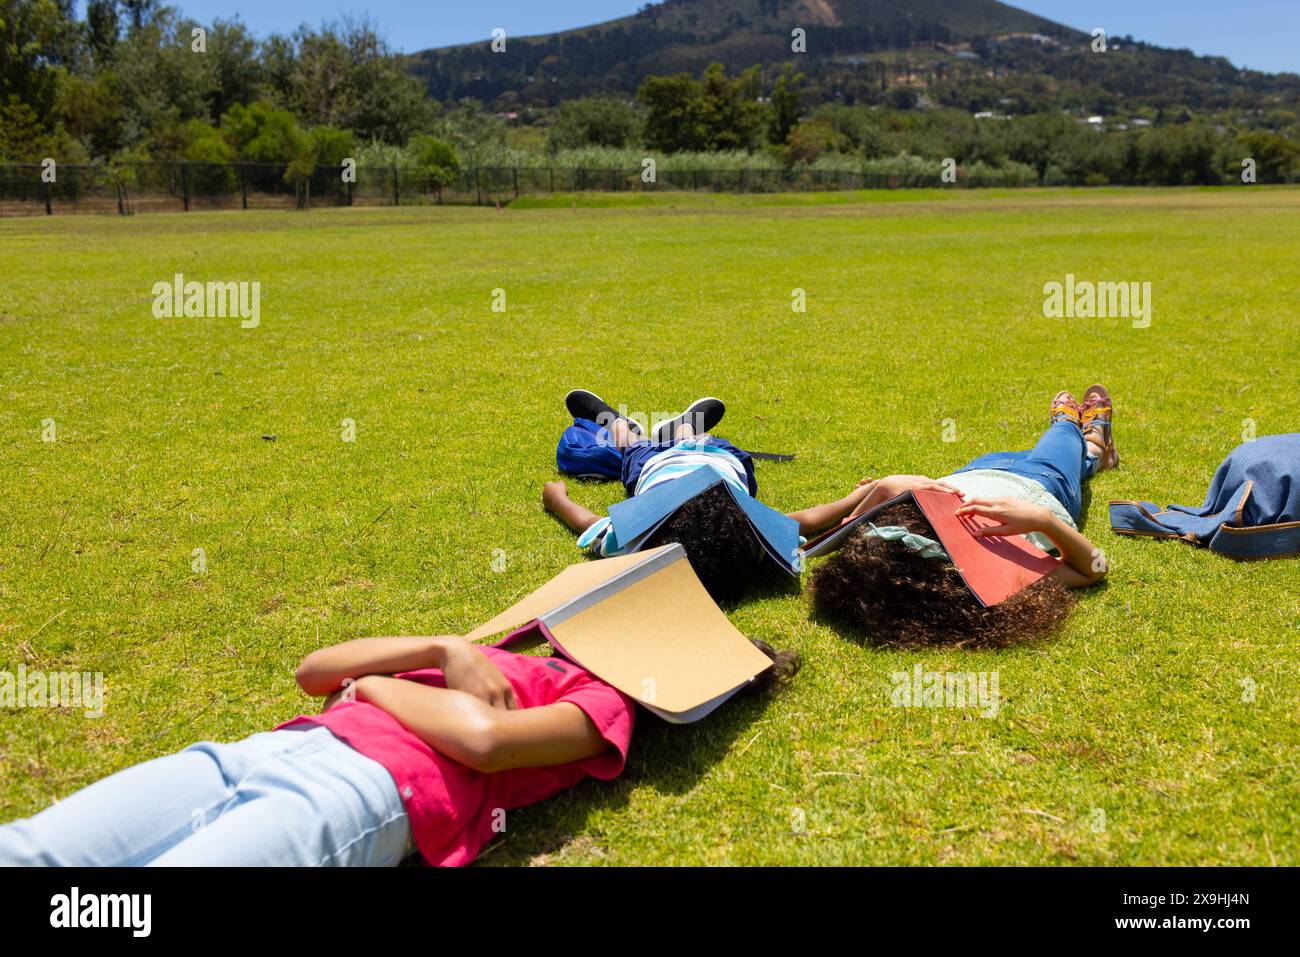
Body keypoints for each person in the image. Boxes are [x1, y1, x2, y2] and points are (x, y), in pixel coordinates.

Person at [0, 632, 798, 867]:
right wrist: (444, 642)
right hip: (268, 750)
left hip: (371, 790)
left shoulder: (606, 704)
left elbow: (483, 741)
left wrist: (379, 689)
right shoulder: (513, 651)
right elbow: (313, 669)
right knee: (34, 850)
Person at [810, 385, 1119, 647]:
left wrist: (879, 490)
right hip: (1044, 482)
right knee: (1063, 435)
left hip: (973, 470)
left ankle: (1094, 458)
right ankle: (1091, 439)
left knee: (1060, 454)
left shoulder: (892, 540)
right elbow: (1094, 569)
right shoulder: (989, 574)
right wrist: (1041, 519)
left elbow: (838, 529)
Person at [545, 389, 878, 599]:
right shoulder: (747, 538)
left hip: (657, 466)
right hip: (719, 458)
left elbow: (588, 522)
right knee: (698, 439)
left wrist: (556, 499)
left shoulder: (640, 541)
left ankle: (617, 422)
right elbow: (805, 521)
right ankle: (685, 428)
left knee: (632, 446)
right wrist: (857, 498)